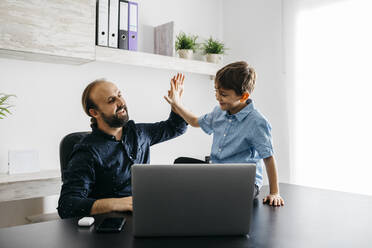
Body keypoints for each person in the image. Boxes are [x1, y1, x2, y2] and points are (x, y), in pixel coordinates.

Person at [58, 79, 187, 219]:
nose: (121, 102)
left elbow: (176, 127)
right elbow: (67, 205)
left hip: (145, 215)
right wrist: (116, 204)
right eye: (111, 100)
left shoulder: (139, 133)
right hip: (109, 226)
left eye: (119, 95)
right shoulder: (87, 151)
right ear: (94, 112)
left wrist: (177, 104)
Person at [164, 62, 284, 207]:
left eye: (223, 94)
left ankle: (211, 195)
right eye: (216, 91)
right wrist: (177, 104)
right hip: (217, 174)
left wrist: (274, 192)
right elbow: (195, 121)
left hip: (242, 182)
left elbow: (268, 157)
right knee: (180, 164)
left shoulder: (257, 122)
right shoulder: (218, 112)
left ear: (244, 96)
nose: (217, 97)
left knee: (226, 193)